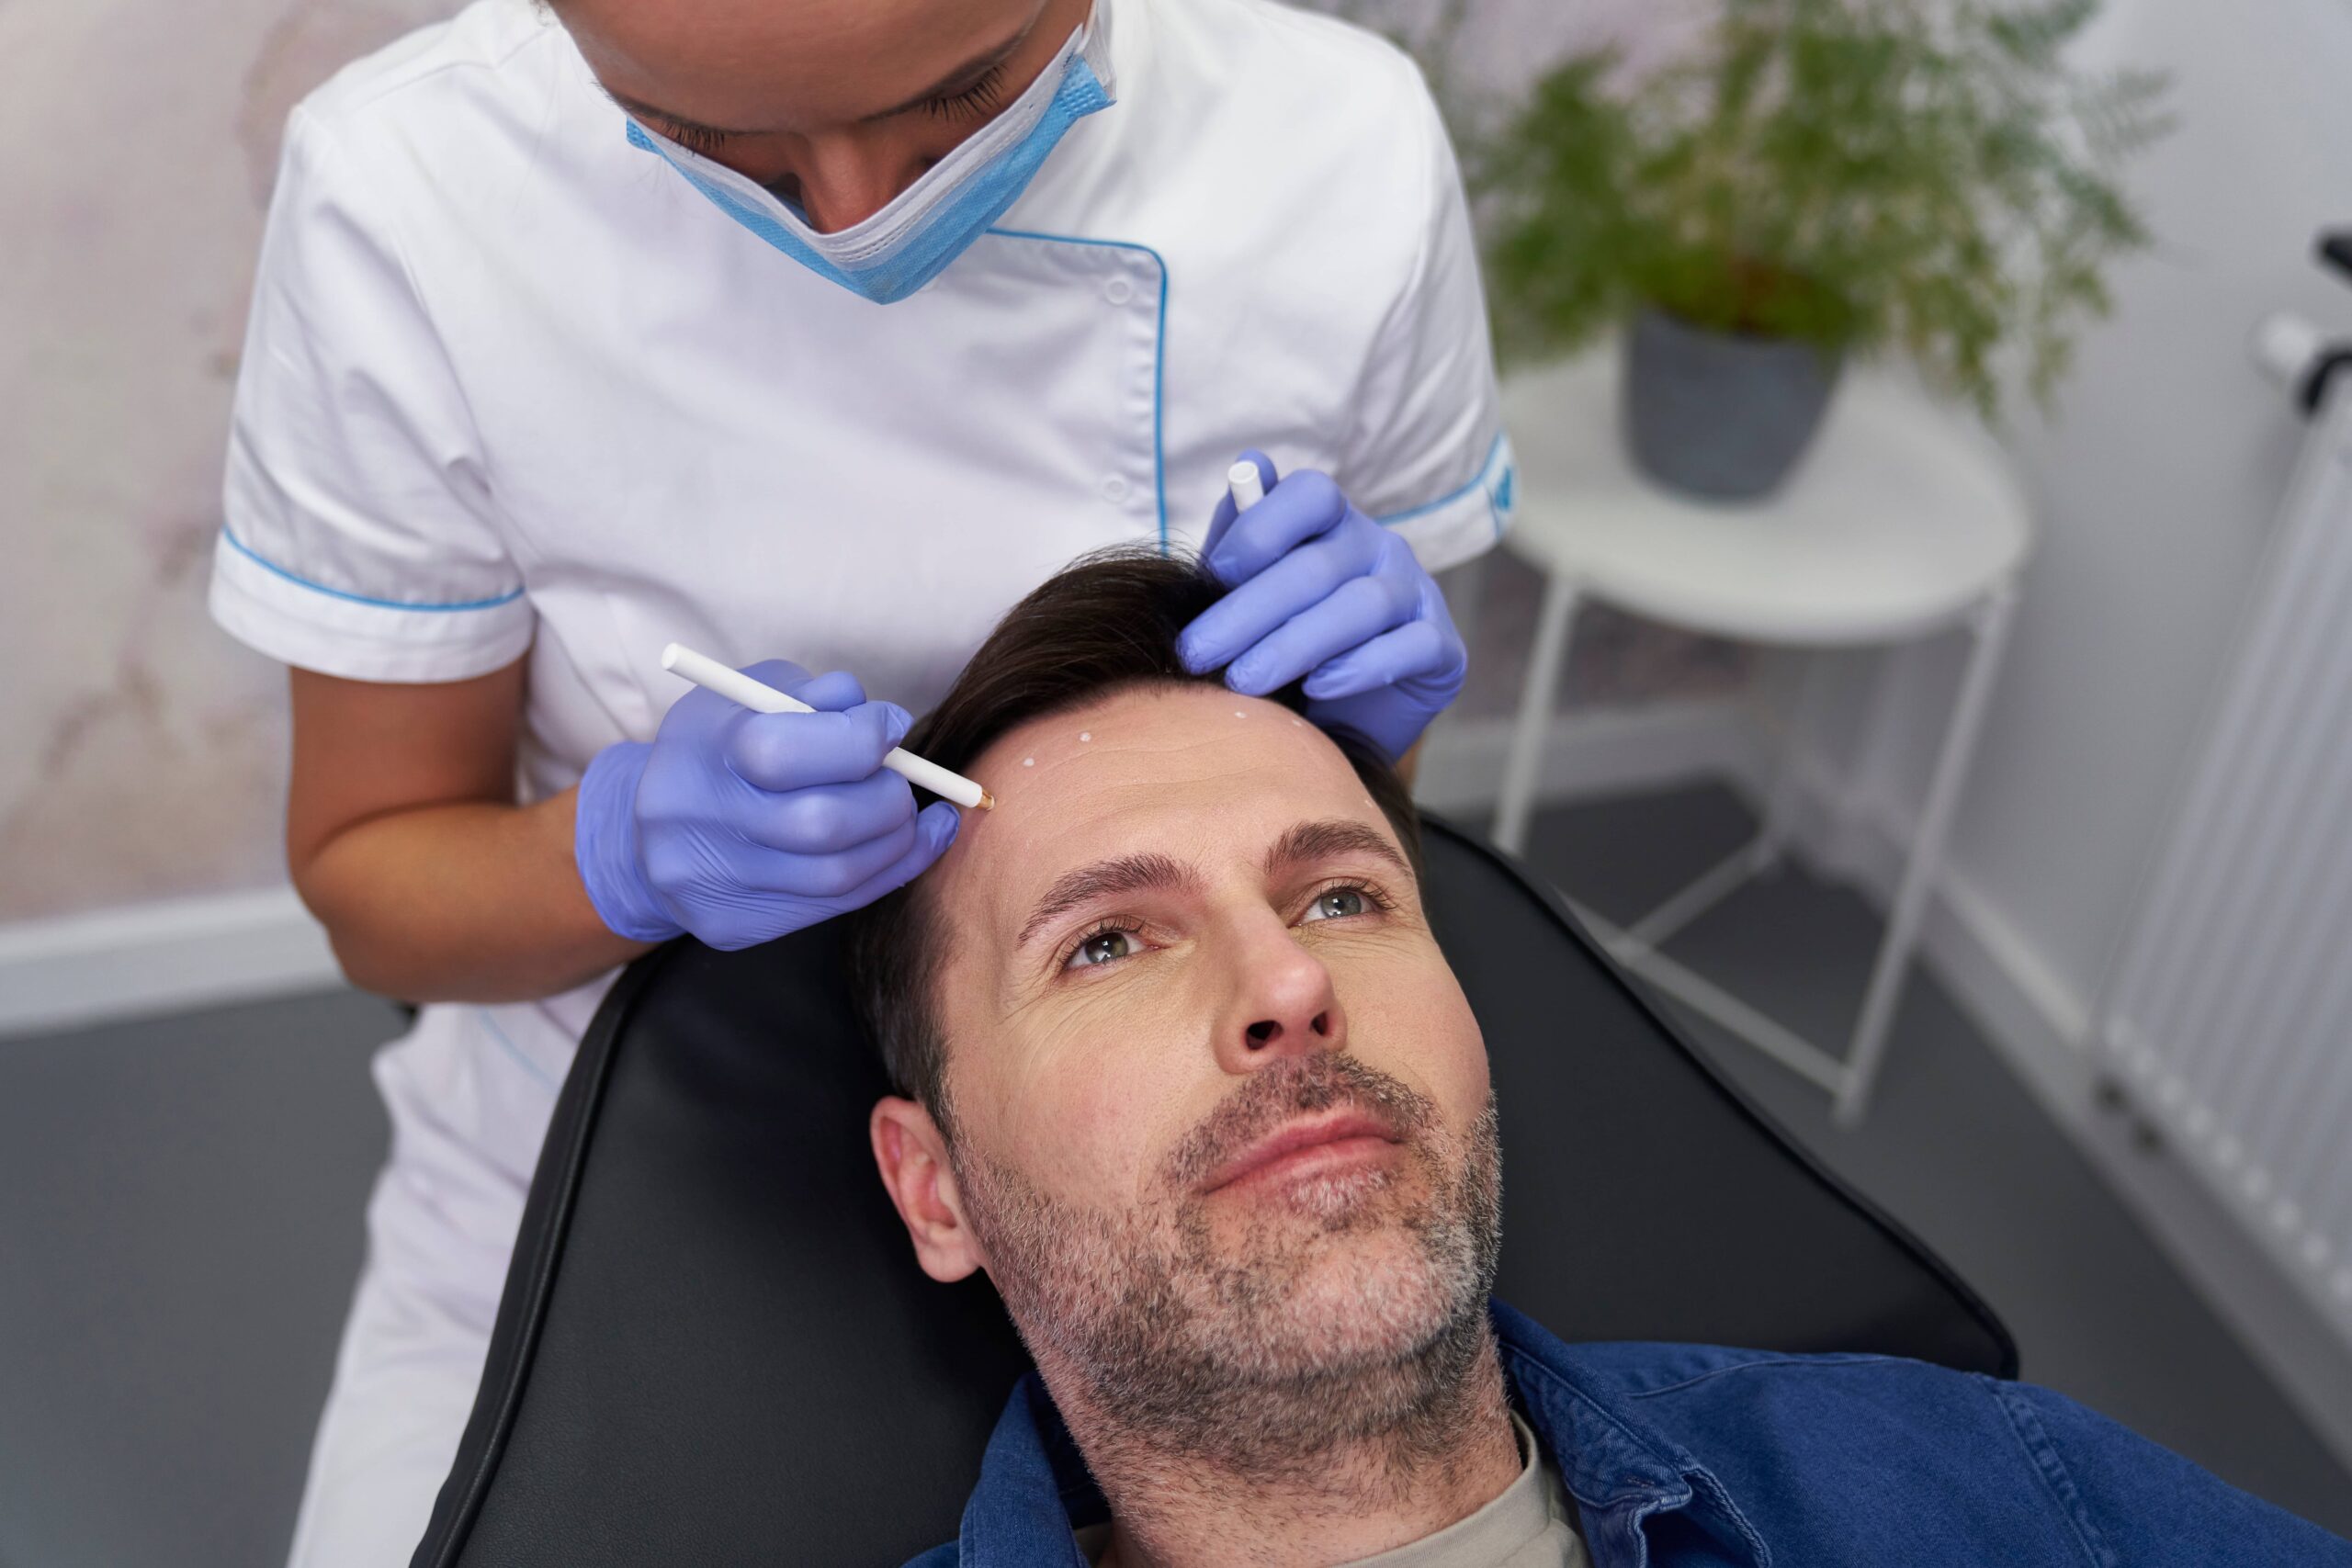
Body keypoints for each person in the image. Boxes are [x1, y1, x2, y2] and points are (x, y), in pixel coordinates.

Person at [206, 0, 1510, 1557]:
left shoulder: (1342, 147)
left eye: (958, 102)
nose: (851, 214)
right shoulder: (409, 188)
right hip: (610, 1144)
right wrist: (614, 854)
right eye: (719, 142)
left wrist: (1371, 737)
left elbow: (1361, 833)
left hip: (1176, 1174)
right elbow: (374, 883)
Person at [842, 550, 2352, 1568]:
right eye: (1105, 940)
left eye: (1346, 896)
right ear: (936, 1192)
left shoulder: (1984, 1488)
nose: (1293, 981)